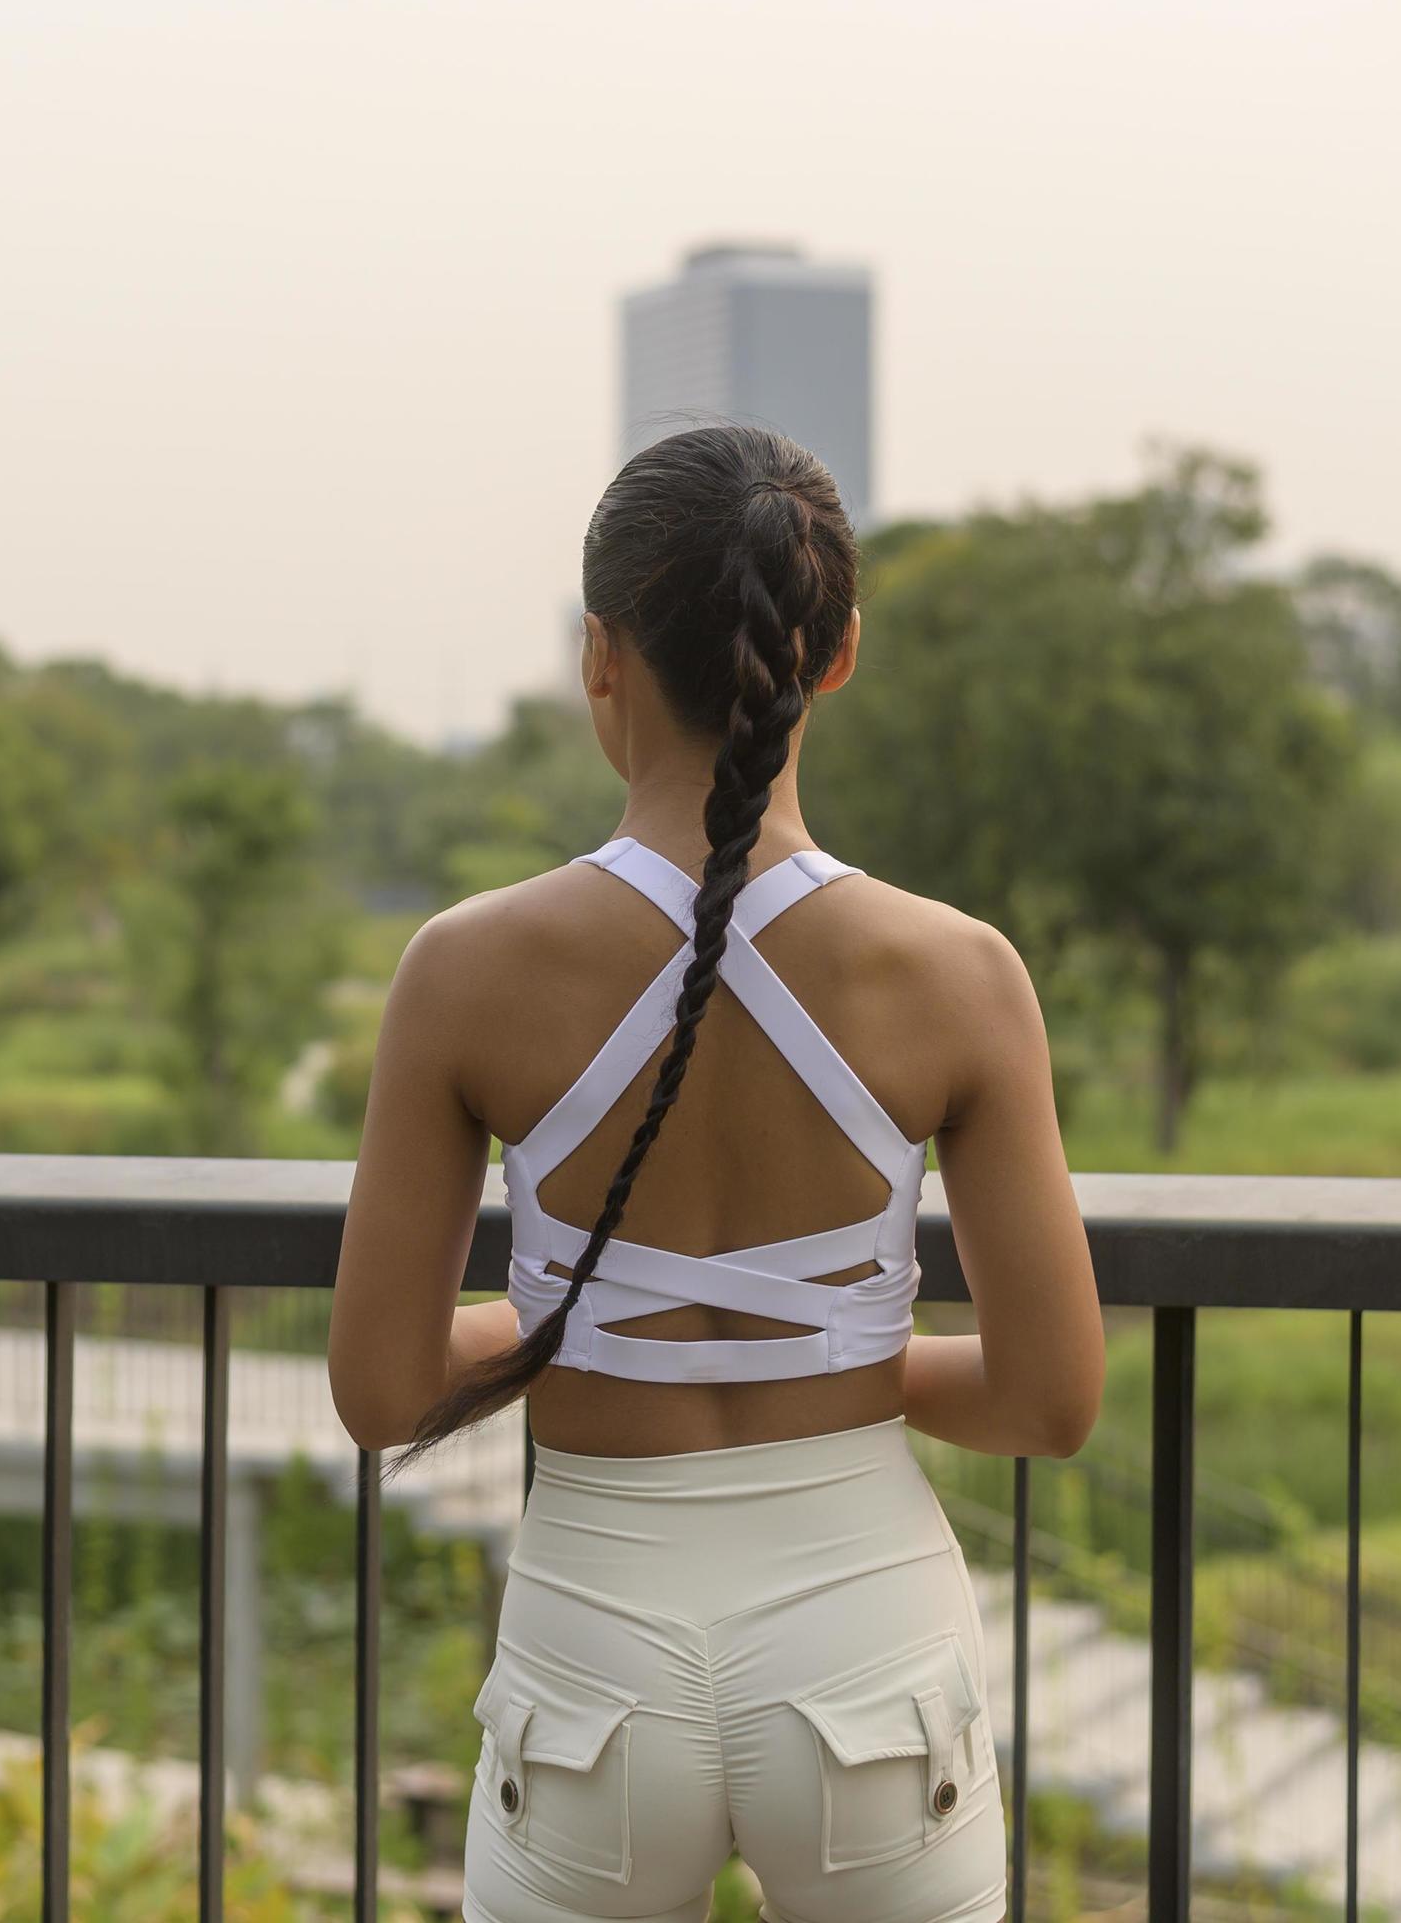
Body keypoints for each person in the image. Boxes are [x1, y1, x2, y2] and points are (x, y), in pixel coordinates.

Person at [329, 423, 1104, 1923]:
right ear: (838, 653)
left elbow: (381, 1389)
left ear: (599, 656)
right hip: (864, 1653)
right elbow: (1044, 1400)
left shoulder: (465, 971)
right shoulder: (956, 975)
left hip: (592, 1665)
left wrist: (555, 1328)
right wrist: (834, 1350)